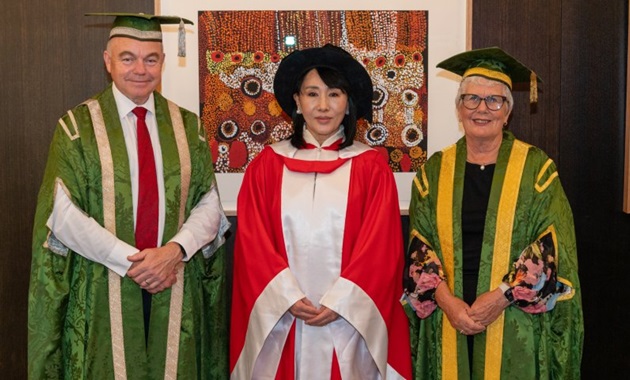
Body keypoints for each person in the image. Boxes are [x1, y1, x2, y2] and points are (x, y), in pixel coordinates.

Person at [27, 13, 230, 379]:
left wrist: (174, 252)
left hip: (174, 278)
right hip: (104, 279)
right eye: (128, 58)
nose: (141, 69)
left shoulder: (188, 127)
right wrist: (132, 262)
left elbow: (209, 203)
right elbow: (62, 213)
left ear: (163, 63)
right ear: (108, 61)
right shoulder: (76, 128)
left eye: (151, 59)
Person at [229, 44, 412, 379]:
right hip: (283, 318)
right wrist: (286, 295)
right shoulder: (267, 166)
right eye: (312, 94)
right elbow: (252, 243)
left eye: (334, 94)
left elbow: (381, 249)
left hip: (349, 323)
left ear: (348, 102)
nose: (323, 106)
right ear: (297, 102)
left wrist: (341, 301)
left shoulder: (371, 168)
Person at [403, 47, 583, 379]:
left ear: (507, 112)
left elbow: (550, 249)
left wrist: (500, 297)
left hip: (513, 317)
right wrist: (448, 302)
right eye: (471, 99)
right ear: (459, 109)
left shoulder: (536, 170)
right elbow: (418, 247)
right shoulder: (434, 171)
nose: (482, 109)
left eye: (494, 101)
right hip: (449, 315)